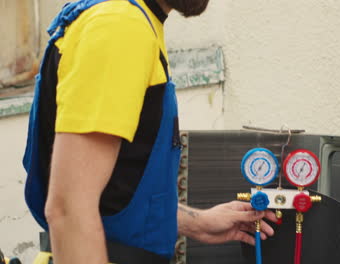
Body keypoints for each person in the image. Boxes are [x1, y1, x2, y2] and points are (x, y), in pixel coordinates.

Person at [22, 0, 276, 263]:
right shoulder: (119, 26)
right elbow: (70, 210)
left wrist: (199, 223)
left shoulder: (133, 22)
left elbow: (117, 192)